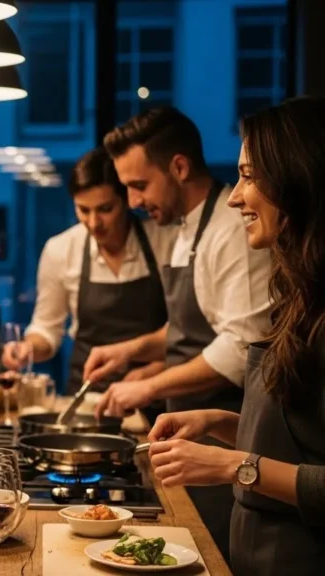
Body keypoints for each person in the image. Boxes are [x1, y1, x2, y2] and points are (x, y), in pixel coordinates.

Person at [146, 96, 325, 575]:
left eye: (250, 176)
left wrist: (234, 465)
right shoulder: (300, 295)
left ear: (296, 179)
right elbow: (305, 440)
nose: (234, 196)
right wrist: (219, 422)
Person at [84, 107, 272, 561]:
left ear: (179, 167)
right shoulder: (188, 229)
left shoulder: (232, 231)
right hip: (191, 432)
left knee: (216, 555)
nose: (132, 201)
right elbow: (191, 323)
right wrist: (128, 351)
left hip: (226, 444)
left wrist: (146, 385)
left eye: (138, 185)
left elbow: (238, 347)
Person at [1, 147, 176, 395]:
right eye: (83, 210)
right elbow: (47, 329)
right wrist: (27, 348)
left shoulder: (164, 242)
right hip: (86, 396)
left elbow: (185, 332)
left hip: (156, 391)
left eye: (105, 209)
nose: (94, 223)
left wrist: (157, 369)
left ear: (126, 200)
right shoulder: (60, 249)